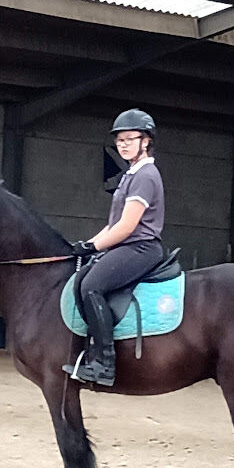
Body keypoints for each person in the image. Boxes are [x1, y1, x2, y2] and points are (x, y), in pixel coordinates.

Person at [63, 108, 165, 386]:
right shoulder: (130, 175)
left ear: (146, 141)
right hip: (127, 246)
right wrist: (88, 245)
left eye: (130, 139)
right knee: (84, 278)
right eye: (120, 140)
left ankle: (105, 363)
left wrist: (93, 245)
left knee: (91, 286)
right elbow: (113, 225)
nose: (123, 144)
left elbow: (127, 226)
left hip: (140, 246)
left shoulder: (145, 175)